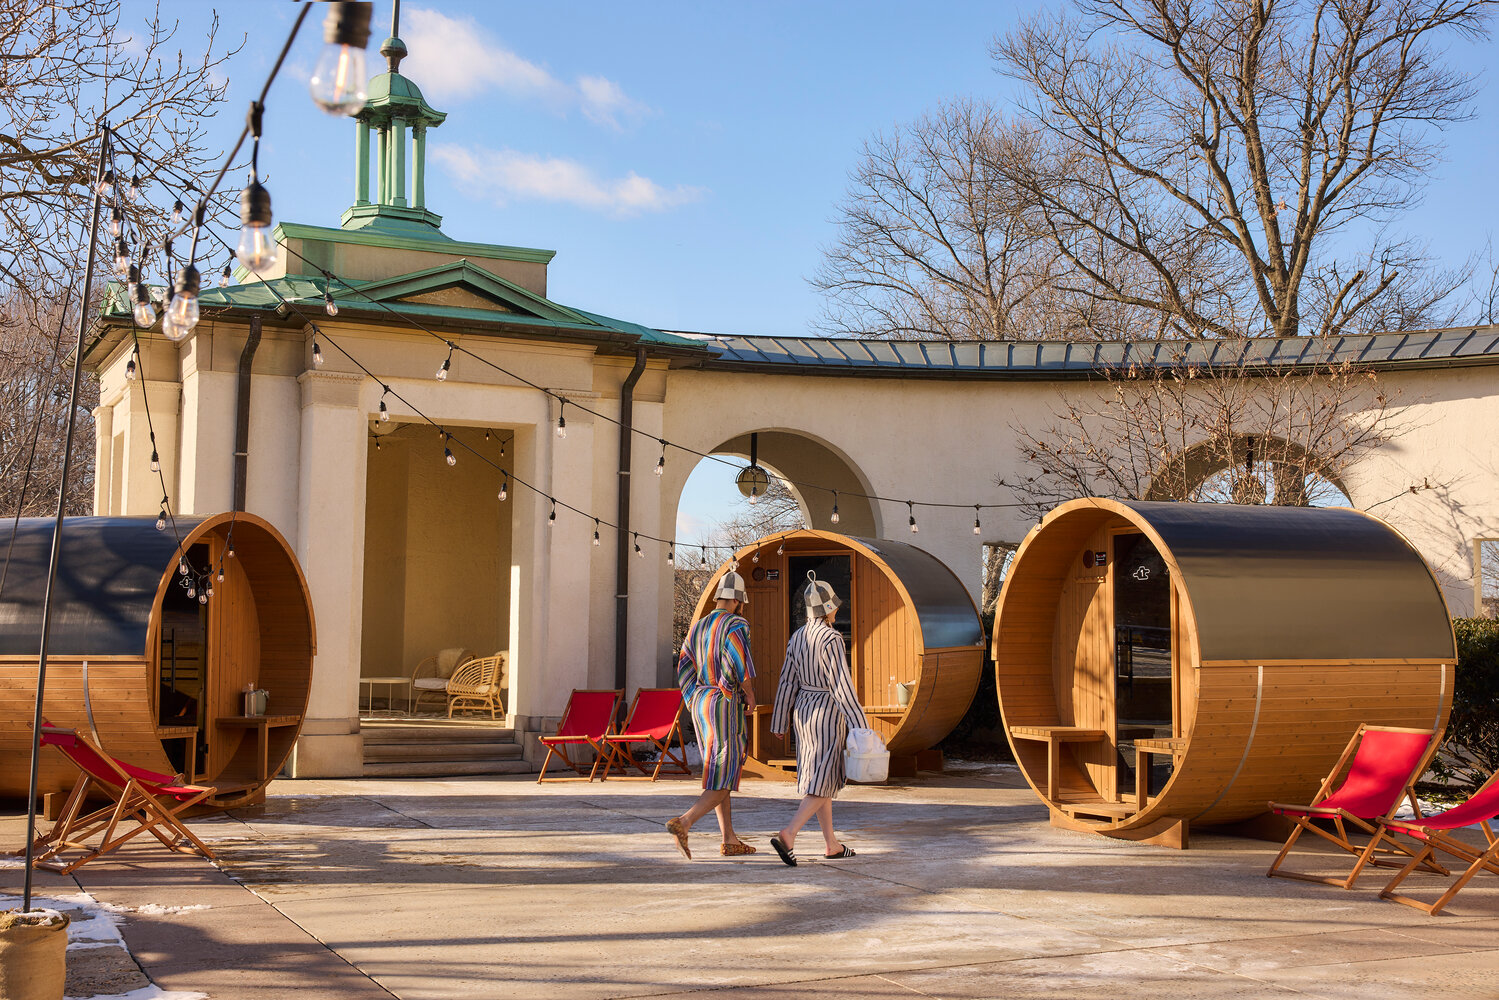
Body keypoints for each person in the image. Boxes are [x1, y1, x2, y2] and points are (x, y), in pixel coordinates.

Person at [769, 572, 869, 866]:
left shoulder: (797, 637)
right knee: (823, 777)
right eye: (834, 605)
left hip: (803, 711)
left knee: (820, 776)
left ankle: (831, 844)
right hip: (827, 710)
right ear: (828, 608)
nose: (837, 610)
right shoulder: (832, 638)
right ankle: (788, 834)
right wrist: (860, 725)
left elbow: (787, 680)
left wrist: (779, 720)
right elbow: (841, 684)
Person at [666, 570, 758, 860]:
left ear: (719, 596)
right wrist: (747, 693)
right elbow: (738, 662)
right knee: (727, 771)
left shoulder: (698, 626)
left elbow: (683, 664)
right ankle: (684, 822)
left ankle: (729, 839)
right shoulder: (736, 624)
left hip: (701, 701)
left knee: (718, 769)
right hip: (723, 701)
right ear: (738, 601)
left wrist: (692, 696)